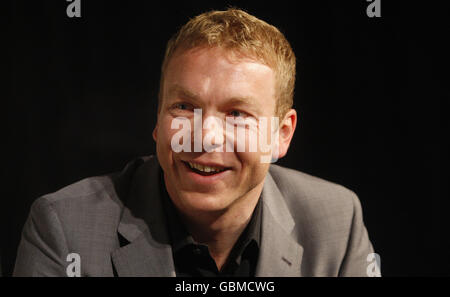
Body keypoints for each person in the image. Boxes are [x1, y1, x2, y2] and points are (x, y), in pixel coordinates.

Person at [13, 8, 377, 277]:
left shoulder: (337, 222)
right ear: (157, 119)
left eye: (237, 114)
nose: (204, 136)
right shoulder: (64, 229)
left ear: (281, 135)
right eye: (184, 107)